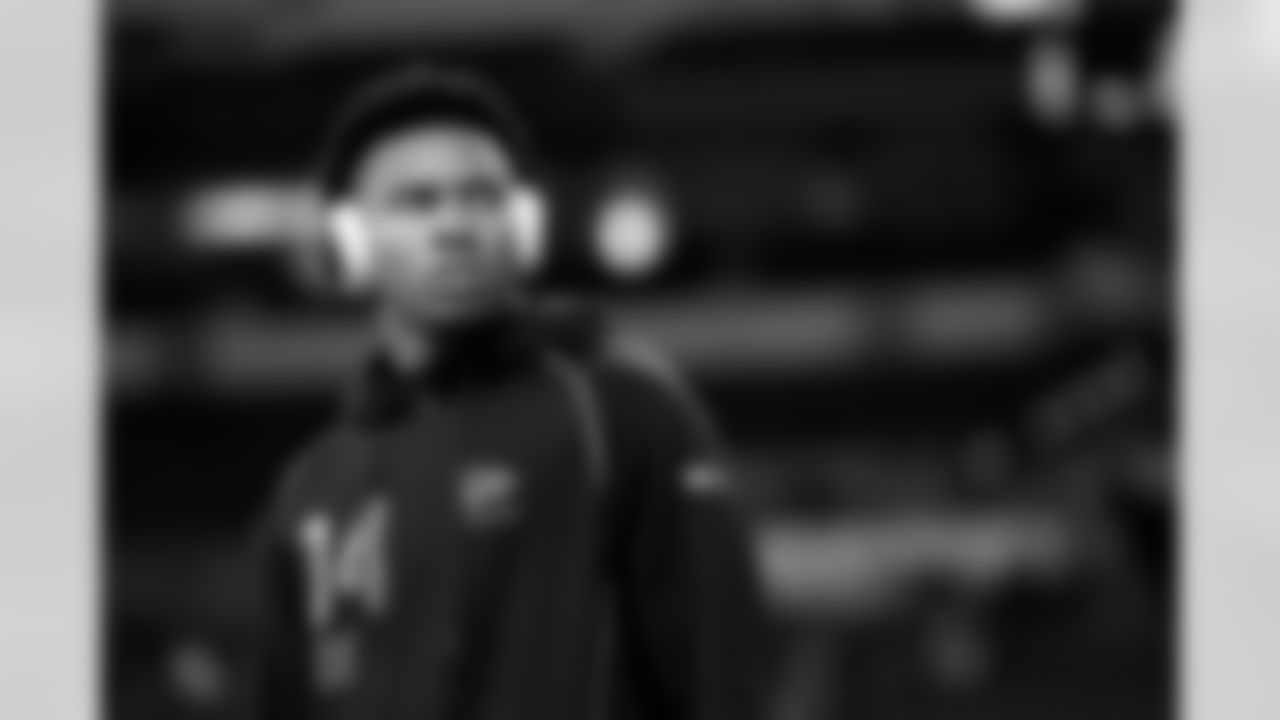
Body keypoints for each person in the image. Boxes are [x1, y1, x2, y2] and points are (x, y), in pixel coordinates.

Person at [251, 66, 769, 720]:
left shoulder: (623, 413)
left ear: (523, 228)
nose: (456, 225)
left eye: (482, 197)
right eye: (417, 202)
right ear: (353, 242)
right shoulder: (310, 491)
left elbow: (723, 683)